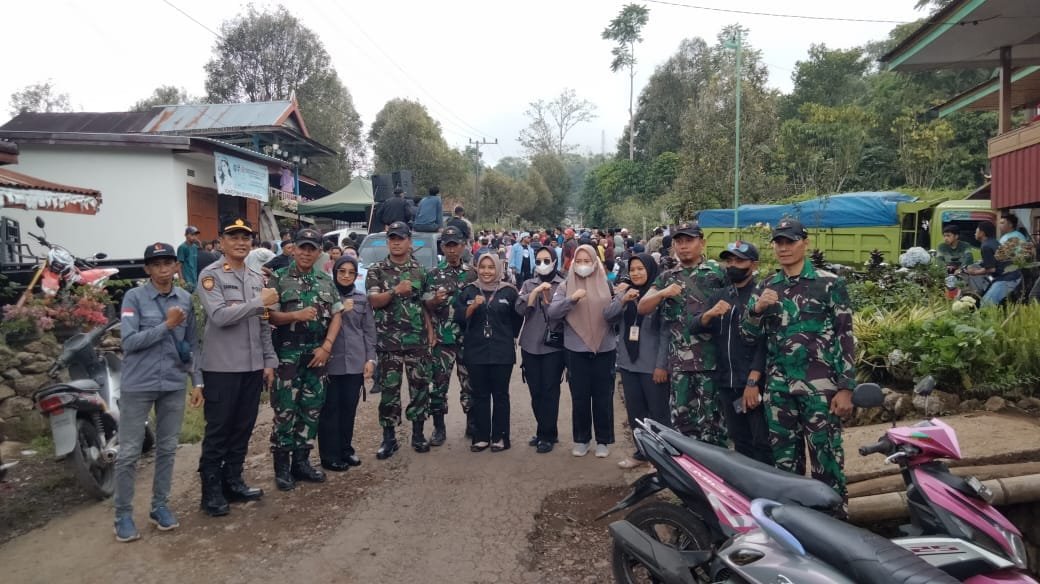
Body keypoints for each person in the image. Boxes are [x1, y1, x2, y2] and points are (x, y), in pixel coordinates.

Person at [741, 218, 855, 506]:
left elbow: (845, 336)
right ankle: (795, 525)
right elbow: (748, 335)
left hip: (820, 388)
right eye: (778, 242)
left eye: (789, 242)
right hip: (779, 389)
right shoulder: (767, 286)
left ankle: (834, 523)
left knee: (826, 461)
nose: (783, 248)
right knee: (785, 466)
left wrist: (846, 387)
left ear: (805, 243)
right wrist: (757, 309)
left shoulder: (828, 283)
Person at [112, 242, 203, 542]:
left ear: (177, 266)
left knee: (167, 448)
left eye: (169, 263)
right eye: (157, 264)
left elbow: (191, 345)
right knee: (128, 452)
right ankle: (123, 514)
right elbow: (130, 342)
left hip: (173, 383)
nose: (164, 269)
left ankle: (159, 506)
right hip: (139, 384)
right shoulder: (133, 297)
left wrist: (197, 382)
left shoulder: (186, 299)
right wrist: (167, 325)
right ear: (148, 269)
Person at [196, 217, 278, 517]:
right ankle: (211, 491)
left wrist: (269, 361)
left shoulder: (257, 277)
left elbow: (264, 324)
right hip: (222, 368)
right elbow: (219, 316)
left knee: (243, 428)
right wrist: (259, 302)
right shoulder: (211, 276)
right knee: (219, 430)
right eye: (234, 237)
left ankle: (233, 481)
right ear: (221, 242)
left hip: (252, 367)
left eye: (246, 238)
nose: (241, 242)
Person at [637, 222, 726, 446]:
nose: (683, 246)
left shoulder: (718, 274)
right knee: (682, 425)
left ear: (702, 243)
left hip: (711, 364)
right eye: (679, 242)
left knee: (713, 426)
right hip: (679, 367)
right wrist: (664, 293)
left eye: (689, 241)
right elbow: (643, 307)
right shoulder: (667, 277)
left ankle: (714, 478)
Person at [267, 228, 343, 490]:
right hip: (287, 354)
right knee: (285, 409)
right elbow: (268, 316)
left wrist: (327, 346)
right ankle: (282, 468)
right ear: (293, 249)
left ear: (319, 252)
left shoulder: (325, 280)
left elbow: (337, 315)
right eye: (303, 247)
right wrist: (294, 316)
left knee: (311, 409)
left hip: (316, 353)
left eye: (312, 248)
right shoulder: (278, 279)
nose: (306, 253)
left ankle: (301, 462)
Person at [695, 242, 772, 465]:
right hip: (726, 382)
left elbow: (764, 342)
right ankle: (746, 494)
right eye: (729, 261)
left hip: (752, 383)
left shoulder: (760, 295)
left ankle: (769, 492)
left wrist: (752, 381)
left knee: (762, 441)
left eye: (739, 261)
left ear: (753, 264)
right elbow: (695, 326)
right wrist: (709, 314)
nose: (733, 265)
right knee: (740, 441)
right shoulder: (720, 294)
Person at [366, 221, 434, 458]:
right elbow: (373, 301)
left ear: (409, 241)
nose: (395, 242)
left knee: (419, 388)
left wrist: (431, 330)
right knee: (389, 391)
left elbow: (425, 303)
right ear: (387, 241)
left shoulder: (420, 270)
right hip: (388, 341)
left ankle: (418, 434)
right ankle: (389, 438)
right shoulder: (376, 270)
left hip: (416, 340)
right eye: (392, 238)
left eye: (400, 238)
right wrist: (395, 290)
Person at [547, 244, 616, 458]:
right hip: (575, 348)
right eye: (579, 261)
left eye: (588, 261)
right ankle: (582, 439)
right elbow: (553, 312)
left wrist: (622, 300)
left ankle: (603, 440)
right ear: (572, 263)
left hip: (604, 348)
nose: (583, 265)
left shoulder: (607, 285)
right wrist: (572, 299)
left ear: (595, 262)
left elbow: (614, 315)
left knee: (603, 396)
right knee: (580, 397)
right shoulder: (565, 286)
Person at [604, 253, 669, 469]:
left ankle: (663, 457)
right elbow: (608, 316)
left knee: (658, 413)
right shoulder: (625, 292)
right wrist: (622, 300)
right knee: (635, 413)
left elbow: (666, 333)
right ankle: (642, 453)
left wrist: (662, 364)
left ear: (650, 270)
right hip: (628, 364)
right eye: (632, 269)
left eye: (641, 268)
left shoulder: (658, 295)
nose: (636, 273)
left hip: (652, 366)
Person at [454, 254, 522, 452]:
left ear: (498, 269)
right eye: (482, 267)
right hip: (476, 351)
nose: (486, 271)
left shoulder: (509, 292)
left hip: (502, 351)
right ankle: (481, 436)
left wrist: (510, 337)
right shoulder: (468, 291)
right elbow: (459, 318)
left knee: (500, 395)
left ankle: (500, 437)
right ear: (476, 268)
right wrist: (473, 306)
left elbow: (516, 320)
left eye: (491, 267)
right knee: (480, 394)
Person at [319, 255, 376, 471]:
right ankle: (329, 455)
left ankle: (345, 449)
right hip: (330, 362)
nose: (346, 276)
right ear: (334, 272)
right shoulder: (326, 296)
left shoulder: (361, 299)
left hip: (354, 361)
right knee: (330, 409)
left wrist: (370, 359)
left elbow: (369, 332)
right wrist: (339, 309)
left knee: (348, 409)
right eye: (342, 271)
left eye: (351, 272)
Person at [423, 226, 477, 442]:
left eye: (456, 245)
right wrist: (434, 302)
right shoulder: (433, 275)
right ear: (442, 247)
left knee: (470, 384)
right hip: (443, 339)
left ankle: (472, 423)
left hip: (467, 339)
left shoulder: (472, 273)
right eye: (448, 245)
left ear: (463, 246)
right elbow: (424, 306)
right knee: (438, 385)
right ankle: (439, 427)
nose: (452, 249)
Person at [515, 246, 567, 453]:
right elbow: (520, 310)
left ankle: (547, 434)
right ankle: (543, 429)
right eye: (539, 260)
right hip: (530, 344)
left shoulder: (563, 284)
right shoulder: (528, 284)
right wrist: (534, 293)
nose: (543, 264)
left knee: (550, 391)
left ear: (555, 261)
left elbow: (565, 313)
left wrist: (549, 300)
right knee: (535, 391)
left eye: (547, 260)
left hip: (553, 346)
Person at [967, 220, 1021, 306]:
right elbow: (994, 260)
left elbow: (991, 269)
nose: (974, 233)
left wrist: (974, 272)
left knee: (985, 305)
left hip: (1006, 279)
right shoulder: (994, 242)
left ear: (982, 233)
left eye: (976, 231)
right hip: (1014, 275)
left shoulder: (985, 246)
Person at [177, 226, 201, 291]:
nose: (194, 237)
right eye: (192, 235)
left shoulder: (195, 247)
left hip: (195, 280)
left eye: (196, 235)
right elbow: (178, 265)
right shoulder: (182, 247)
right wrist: (181, 279)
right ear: (186, 235)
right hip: (186, 281)